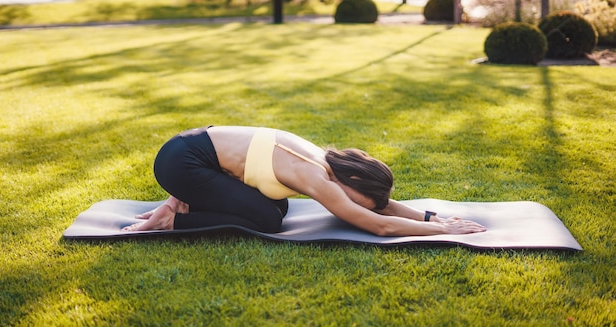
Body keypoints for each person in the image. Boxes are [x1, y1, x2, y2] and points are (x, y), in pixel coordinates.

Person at [124, 126, 486, 236]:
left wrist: (428, 217)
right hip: (181, 163)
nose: (348, 206)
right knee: (267, 219)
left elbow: (376, 205)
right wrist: (444, 232)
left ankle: (181, 201)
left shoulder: (329, 163)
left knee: (276, 205)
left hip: (191, 149)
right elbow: (377, 224)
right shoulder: (315, 175)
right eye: (357, 197)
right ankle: (176, 217)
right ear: (355, 177)